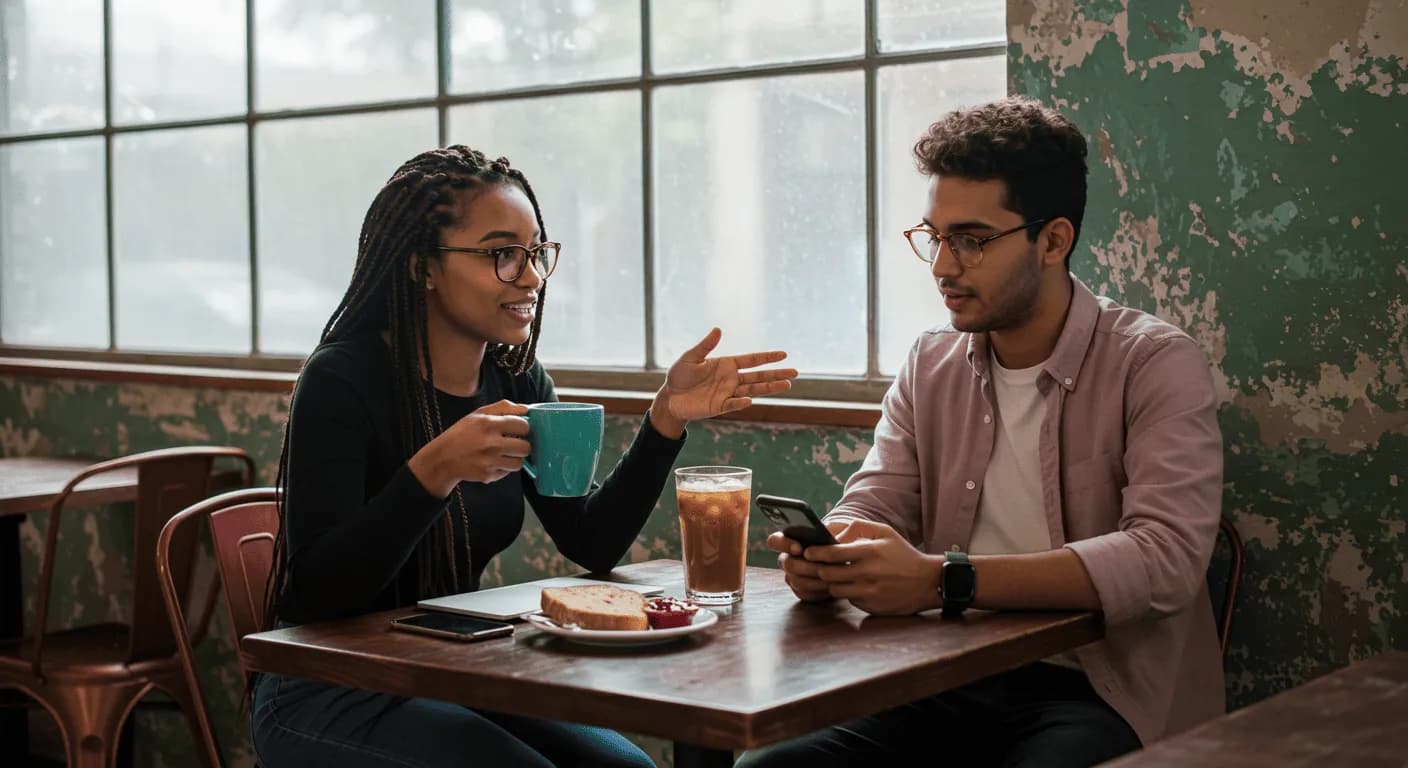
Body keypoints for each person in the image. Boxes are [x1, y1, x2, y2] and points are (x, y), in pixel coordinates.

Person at [252, 145, 798, 768]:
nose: (532, 277)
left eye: (535, 253)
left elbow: (589, 541)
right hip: (328, 690)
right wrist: (435, 470)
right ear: (421, 267)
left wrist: (665, 419)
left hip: (452, 673)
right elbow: (322, 592)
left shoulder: (516, 380)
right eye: (501, 255)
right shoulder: (341, 379)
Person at [744, 98, 1224, 767]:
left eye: (971, 240)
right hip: (939, 677)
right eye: (933, 236)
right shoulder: (932, 361)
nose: (943, 266)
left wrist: (947, 581)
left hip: (1095, 691)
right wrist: (834, 554)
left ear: (1053, 240)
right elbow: (875, 502)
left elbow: (1165, 558)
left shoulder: (1154, 362)